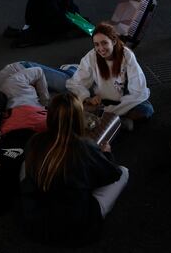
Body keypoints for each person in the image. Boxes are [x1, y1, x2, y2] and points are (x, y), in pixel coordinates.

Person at [20, 93, 128, 247]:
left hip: (35, 222)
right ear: (79, 118)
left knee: (26, 163)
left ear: (50, 116)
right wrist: (107, 154)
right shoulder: (84, 147)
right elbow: (111, 174)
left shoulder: (35, 140)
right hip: (74, 226)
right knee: (124, 172)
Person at [63, 23, 153, 131]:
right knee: (70, 99)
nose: (101, 48)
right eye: (96, 44)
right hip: (101, 101)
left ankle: (104, 118)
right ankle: (117, 121)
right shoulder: (91, 56)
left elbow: (138, 91)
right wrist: (87, 98)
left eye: (104, 43)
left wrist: (108, 110)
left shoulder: (127, 55)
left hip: (125, 100)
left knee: (146, 110)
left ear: (114, 42)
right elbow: (75, 83)